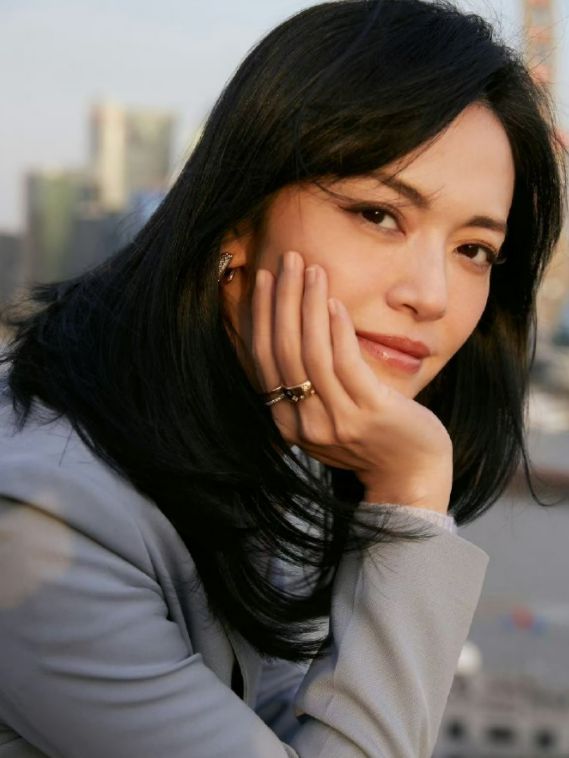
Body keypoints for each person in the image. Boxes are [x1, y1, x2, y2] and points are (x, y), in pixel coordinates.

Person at [0, 0, 565, 756]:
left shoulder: (269, 442)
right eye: (378, 214)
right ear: (237, 218)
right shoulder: (45, 523)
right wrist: (410, 494)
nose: (430, 295)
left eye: (473, 250)